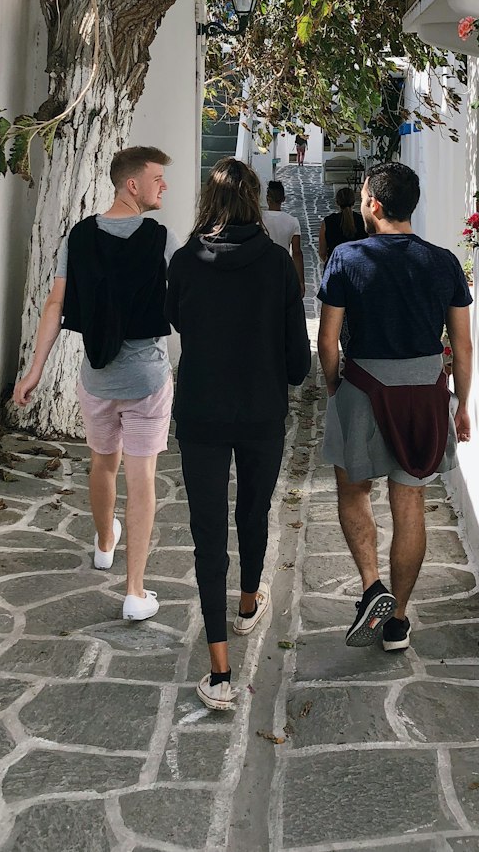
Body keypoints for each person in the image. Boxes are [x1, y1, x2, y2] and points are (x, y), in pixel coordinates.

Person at [166, 158, 311, 709]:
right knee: (253, 511)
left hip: (201, 412)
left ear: (210, 200)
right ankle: (249, 604)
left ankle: (220, 672)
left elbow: (174, 317)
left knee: (208, 534)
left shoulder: (185, 260)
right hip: (260, 413)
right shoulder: (277, 265)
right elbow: (298, 363)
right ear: (255, 200)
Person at [13, 146, 179, 624]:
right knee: (141, 478)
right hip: (147, 377)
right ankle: (134, 591)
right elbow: (184, 295)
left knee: (103, 464)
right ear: (133, 185)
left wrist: (35, 370)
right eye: (157, 179)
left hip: (97, 378)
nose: (162, 186)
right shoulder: (160, 238)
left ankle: (105, 541)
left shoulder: (79, 236)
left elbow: (53, 305)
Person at [317, 162, 472, 652]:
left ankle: (371, 586)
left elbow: (328, 341)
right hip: (426, 392)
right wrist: (462, 404)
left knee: (353, 491)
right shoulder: (444, 261)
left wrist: (333, 390)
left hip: (364, 388)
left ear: (375, 205)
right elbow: (462, 345)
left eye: (364, 197)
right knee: (410, 505)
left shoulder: (346, 257)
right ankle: (398, 620)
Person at [262, 179, 305, 296]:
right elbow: (296, 252)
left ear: (267, 198)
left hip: (262, 267)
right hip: (283, 268)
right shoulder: (292, 222)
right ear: (283, 199)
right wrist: (301, 281)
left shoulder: (258, 219)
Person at [318, 186, 367, 266]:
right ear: (354, 202)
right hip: (357, 266)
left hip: (335, 266)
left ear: (337, 202)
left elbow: (322, 252)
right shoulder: (362, 221)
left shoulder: (328, 222)